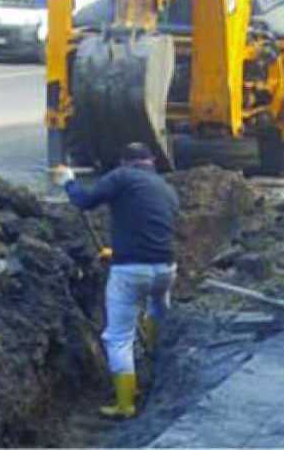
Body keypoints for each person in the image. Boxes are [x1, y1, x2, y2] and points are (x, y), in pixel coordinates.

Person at [51, 143, 179, 419]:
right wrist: (118, 251)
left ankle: (125, 405)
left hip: (132, 271)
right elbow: (150, 226)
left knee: (118, 337)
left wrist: (69, 182)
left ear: (125, 161)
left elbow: (85, 201)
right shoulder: (166, 189)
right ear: (152, 161)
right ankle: (154, 356)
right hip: (166, 268)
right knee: (157, 309)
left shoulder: (122, 176)